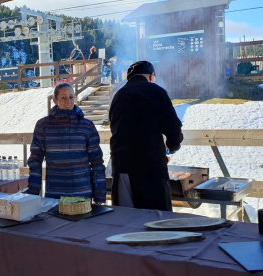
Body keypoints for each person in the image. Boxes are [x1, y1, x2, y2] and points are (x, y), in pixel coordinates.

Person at [109, 61, 183, 211]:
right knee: (156, 218)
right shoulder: (157, 92)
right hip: (150, 166)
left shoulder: (118, 95)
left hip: (122, 165)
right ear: (151, 76)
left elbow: (114, 127)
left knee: (126, 217)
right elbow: (173, 128)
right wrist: (172, 146)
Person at [27, 83, 106, 204]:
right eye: (63, 98)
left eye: (71, 97)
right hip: (55, 194)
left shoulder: (87, 125)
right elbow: (35, 160)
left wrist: (99, 196)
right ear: (55, 100)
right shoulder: (43, 125)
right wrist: (32, 193)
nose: (68, 101)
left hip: (83, 193)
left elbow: (97, 162)